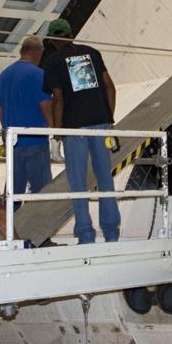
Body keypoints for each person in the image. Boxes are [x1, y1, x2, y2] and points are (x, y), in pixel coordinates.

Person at [41, 18, 119, 244]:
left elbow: (58, 99)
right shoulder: (92, 53)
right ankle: (111, 233)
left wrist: (57, 132)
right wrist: (109, 119)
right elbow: (110, 87)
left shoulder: (53, 62)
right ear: (71, 35)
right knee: (105, 179)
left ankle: (86, 235)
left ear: (52, 40)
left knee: (78, 183)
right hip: (100, 125)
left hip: (74, 128)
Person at [0, 36, 53, 200]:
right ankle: (39, 217)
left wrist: (7, 129)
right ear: (39, 52)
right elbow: (45, 105)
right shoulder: (38, 74)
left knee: (13, 191)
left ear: (22, 51)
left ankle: (10, 217)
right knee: (42, 191)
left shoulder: (4, 75)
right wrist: (55, 128)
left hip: (12, 141)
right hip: (35, 140)